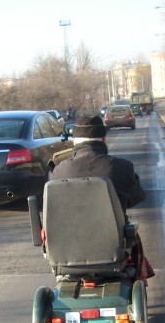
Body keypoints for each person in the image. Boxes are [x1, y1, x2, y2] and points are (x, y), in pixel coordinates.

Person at [50, 115, 154, 281]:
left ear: (75, 141)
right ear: (104, 139)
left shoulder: (59, 171)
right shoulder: (121, 167)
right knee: (133, 235)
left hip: (68, 252)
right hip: (112, 248)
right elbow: (136, 197)